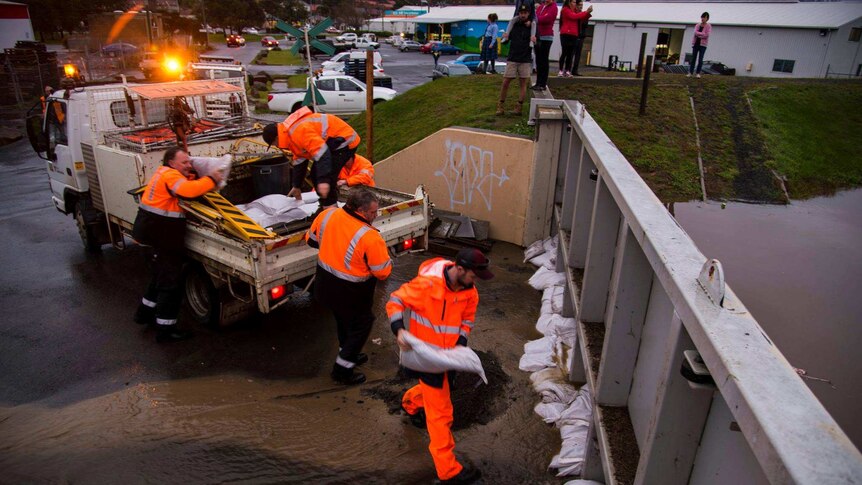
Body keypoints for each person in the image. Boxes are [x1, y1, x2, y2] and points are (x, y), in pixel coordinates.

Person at [386, 248, 494, 485]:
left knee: (437, 392)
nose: (475, 282)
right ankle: (448, 470)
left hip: (448, 357)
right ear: (460, 269)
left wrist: (461, 345)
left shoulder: (470, 292)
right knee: (441, 414)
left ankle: (411, 403)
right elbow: (395, 300)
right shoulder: (427, 285)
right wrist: (399, 330)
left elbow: (467, 319)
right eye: (474, 276)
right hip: (425, 356)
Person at [132, 148, 224, 342]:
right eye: (184, 163)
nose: (188, 165)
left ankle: (144, 314)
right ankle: (165, 331)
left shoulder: (165, 173)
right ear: (172, 163)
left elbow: (185, 185)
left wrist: (194, 174)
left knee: (158, 279)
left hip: (153, 238)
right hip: (158, 241)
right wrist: (212, 179)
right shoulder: (170, 176)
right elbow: (188, 191)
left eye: (189, 162)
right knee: (169, 285)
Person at [306, 188, 392, 385]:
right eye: (373, 212)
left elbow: (311, 240)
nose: (376, 216)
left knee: (343, 320)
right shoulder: (370, 237)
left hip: (325, 285)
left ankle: (347, 351)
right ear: (360, 211)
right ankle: (342, 370)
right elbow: (383, 272)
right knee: (362, 324)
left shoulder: (327, 215)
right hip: (351, 292)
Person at [262, 106, 360, 207]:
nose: (277, 146)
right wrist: (297, 186)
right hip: (333, 143)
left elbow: (323, 154)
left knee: (325, 178)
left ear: (277, 138)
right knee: (316, 175)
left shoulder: (298, 133)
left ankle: (330, 209)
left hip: (345, 141)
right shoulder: (289, 136)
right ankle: (326, 206)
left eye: (274, 144)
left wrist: (323, 181)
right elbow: (300, 161)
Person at [496, 5, 535, 116]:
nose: (523, 15)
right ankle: (500, 105)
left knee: (523, 83)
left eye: (525, 13)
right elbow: (506, 41)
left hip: (525, 59)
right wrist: (505, 38)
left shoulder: (532, 27)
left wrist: (535, 40)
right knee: (505, 82)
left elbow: (537, 43)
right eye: (521, 12)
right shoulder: (514, 25)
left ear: (528, 14)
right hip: (512, 58)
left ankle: (519, 107)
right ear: (518, 13)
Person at [559, 0, 592, 78]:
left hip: (574, 34)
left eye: (575, 2)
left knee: (570, 54)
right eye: (573, 2)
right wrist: (586, 12)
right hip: (566, 33)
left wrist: (587, 13)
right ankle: (560, 70)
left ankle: (567, 70)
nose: (575, 4)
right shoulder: (565, 9)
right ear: (569, 2)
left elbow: (581, 18)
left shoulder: (576, 10)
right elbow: (574, 16)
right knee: (565, 53)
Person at [533, 0, 557, 90]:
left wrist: (538, 18)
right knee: (538, 60)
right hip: (538, 36)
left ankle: (543, 83)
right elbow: (535, 17)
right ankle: (538, 82)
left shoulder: (553, 7)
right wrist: (539, 18)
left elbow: (547, 19)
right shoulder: (541, 6)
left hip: (546, 37)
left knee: (544, 60)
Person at [688, 12, 711, 79]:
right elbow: (695, 32)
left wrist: (700, 35)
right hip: (696, 43)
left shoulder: (708, 26)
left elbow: (707, 35)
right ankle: (690, 72)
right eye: (702, 17)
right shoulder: (697, 25)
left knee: (700, 59)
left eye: (704, 17)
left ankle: (698, 73)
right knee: (693, 58)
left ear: (707, 18)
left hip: (703, 45)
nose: (703, 19)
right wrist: (702, 34)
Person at [571, 0, 590, 76]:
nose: (581, 6)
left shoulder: (583, 14)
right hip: (574, 36)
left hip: (581, 36)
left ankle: (575, 70)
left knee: (578, 55)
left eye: (582, 5)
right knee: (571, 54)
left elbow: (585, 25)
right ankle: (568, 69)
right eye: (580, 5)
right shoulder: (574, 13)